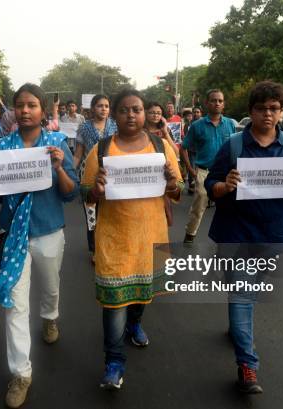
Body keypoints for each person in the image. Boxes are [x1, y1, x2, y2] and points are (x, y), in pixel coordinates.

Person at [204, 81, 283, 394]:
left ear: (281, 112)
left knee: (247, 295)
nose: (268, 114)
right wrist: (224, 186)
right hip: (236, 235)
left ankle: (236, 326)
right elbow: (210, 184)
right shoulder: (234, 145)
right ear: (251, 111)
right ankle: (247, 365)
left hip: (274, 237)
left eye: (274, 108)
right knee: (243, 296)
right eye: (261, 108)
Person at [0, 83, 78, 409]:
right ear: (13, 111)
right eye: (20, 105)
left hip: (48, 231)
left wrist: (60, 167)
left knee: (50, 289)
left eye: (31, 105)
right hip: (14, 237)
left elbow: (70, 193)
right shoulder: (3, 147)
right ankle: (21, 373)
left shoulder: (57, 144)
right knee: (16, 306)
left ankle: (50, 317)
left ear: (42, 110)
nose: (24, 110)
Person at [81, 88, 183, 390]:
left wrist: (171, 181)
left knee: (142, 293)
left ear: (145, 113)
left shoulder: (160, 146)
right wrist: (96, 191)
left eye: (136, 109)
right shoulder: (100, 150)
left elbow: (176, 193)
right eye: (124, 110)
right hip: (114, 239)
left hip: (151, 235)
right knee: (114, 305)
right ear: (114, 114)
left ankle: (136, 323)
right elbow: (84, 195)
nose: (131, 115)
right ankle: (114, 362)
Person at [181, 89, 237, 244]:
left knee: (228, 207)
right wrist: (191, 171)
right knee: (199, 206)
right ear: (207, 103)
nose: (217, 103)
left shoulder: (230, 125)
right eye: (213, 100)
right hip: (203, 172)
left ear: (224, 104)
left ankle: (225, 238)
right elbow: (183, 147)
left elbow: (234, 148)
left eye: (220, 100)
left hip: (225, 173)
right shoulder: (197, 126)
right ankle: (190, 234)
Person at [73, 95, 118, 263]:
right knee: (91, 214)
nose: (103, 109)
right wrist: (70, 171)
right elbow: (78, 154)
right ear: (92, 108)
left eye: (106, 106)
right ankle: (95, 249)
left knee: (110, 212)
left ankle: (109, 246)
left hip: (112, 175)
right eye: (100, 106)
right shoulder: (84, 127)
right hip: (89, 175)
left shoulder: (115, 125)